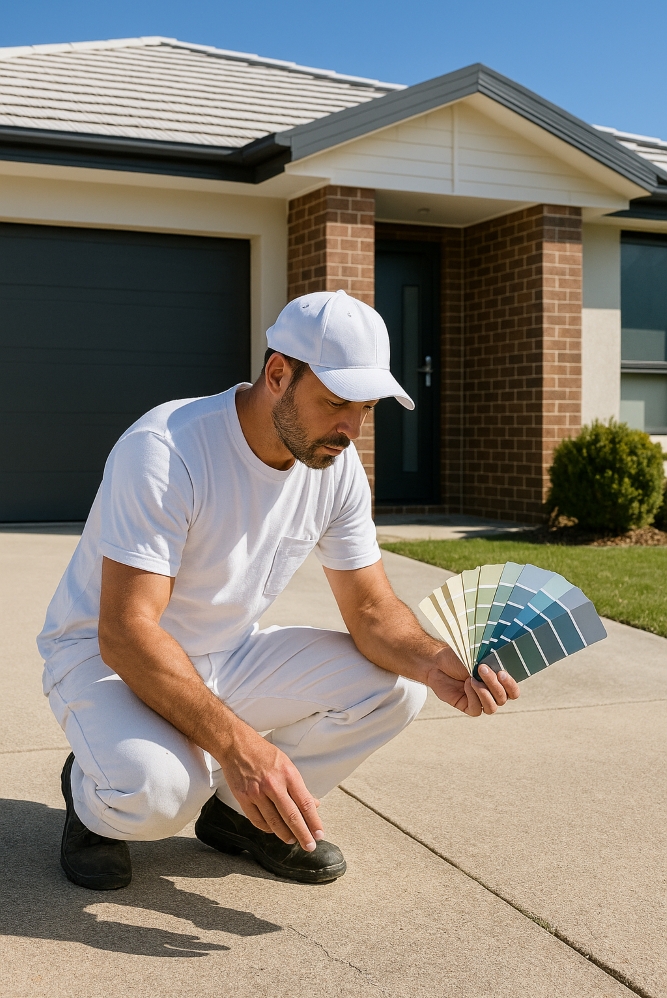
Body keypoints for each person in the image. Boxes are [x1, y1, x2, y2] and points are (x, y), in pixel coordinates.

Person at [38, 289, 519, 891]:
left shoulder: (335, 466)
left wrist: (441, 660)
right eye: (335, 402)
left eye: (365, 409)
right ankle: (96, 796)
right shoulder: (166, 449)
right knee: (157, 796)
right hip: (104, 660)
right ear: (277, 374)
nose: (350, 429)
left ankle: (244, 821)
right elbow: (127, 631)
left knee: (398, 686)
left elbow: (371, 611)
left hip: (226, 653)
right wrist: (243, 750)